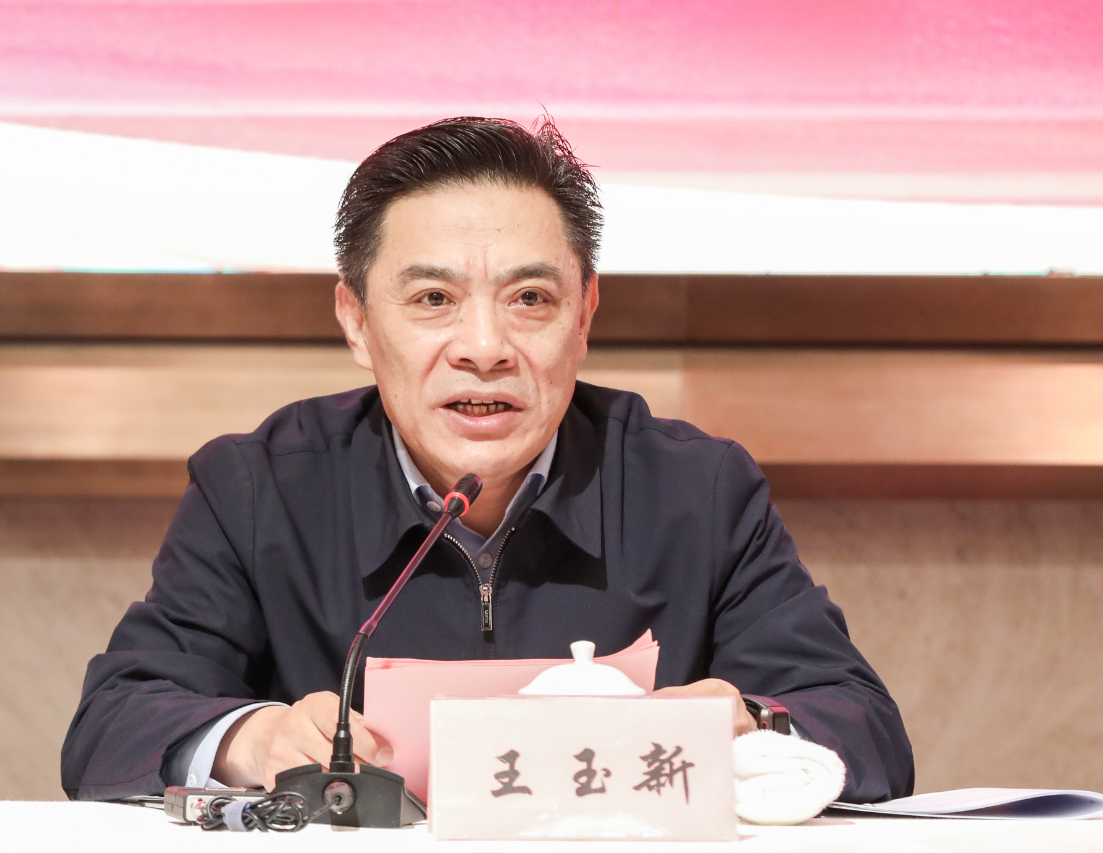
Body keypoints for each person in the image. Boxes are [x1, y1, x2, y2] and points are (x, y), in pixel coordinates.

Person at [61, 117, 913, 804]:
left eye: (530, 299)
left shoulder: (696, 490)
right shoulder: (260, 489)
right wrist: (252, 739)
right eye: (433, 298)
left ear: (585, 315)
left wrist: (751, 722)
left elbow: (867, 730)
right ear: (356, 320)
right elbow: (111, 726)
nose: (484, 347)